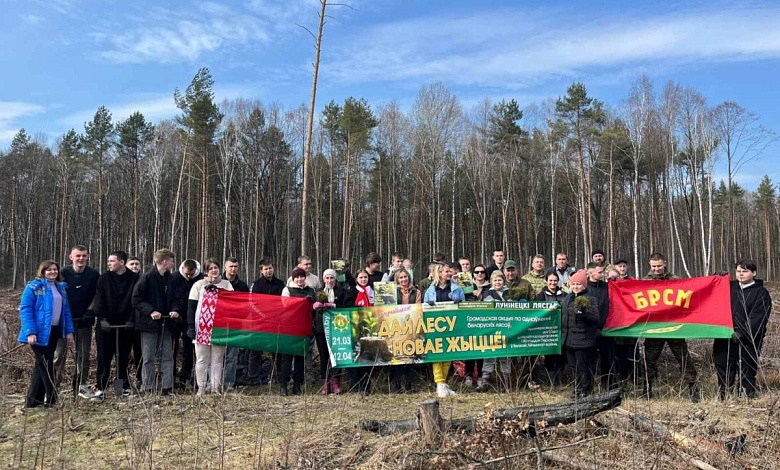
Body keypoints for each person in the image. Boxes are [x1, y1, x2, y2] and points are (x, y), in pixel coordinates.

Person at [641, 253, 700, 402]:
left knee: (684, 359)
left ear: (665, 263)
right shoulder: (644, 282)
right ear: (649, 265)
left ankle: (693, 389)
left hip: (674, 328)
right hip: (654, 329)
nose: (656, 269)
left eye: (659, 266)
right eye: (654, 266)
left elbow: (691, 293)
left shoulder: (676, 280)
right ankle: (646, 391)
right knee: (649, 361)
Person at [19, 260, 75, 408]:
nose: (52, 272)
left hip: (54, 331)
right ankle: (52, 400)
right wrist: (30, 332)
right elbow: (25, 310)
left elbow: (66, 311)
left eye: (55, 269)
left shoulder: (60, 288)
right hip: (38, 333)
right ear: (42, 271)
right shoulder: (33, 287)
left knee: (41, 365)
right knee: (46, 364)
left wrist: (69, 331)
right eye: (49, 270)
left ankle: (33, 401)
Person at [714, 260, 772, 400]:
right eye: (738, 271)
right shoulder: (729, 287)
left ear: (754, 273)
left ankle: (746, 397)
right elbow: (711, 293)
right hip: (725, 335)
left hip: (748, 339)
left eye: (745, 271)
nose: (741, 274)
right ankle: (724, 397)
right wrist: (716, 277)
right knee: (723, 365)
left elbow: (758, 317)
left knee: (746, 368)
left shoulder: (761, 293)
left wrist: (743, 333)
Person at [131, 248, 181, 395]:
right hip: (148, 325)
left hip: (166, 324)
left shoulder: (171, 279)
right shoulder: (146, 278)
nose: (173, 264)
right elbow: (136, 299)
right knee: (148, 357)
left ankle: (167, 386)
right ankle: (148, 386)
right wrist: (151, 311)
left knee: (167, 356)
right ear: (164, 261)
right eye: (171, 261)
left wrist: (174, 309)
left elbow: (176, 298)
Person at [54, 245, 99, 400]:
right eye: (78, 255)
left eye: (84, 255)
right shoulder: (62, 273)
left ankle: (81, 386)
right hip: (63, 321)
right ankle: (54, 387)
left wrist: (90, 310)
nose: (81, 258)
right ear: (71, 257)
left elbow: (97, 294)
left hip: (84, 320)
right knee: (59, 355)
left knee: (83, 355)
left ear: (88, 256)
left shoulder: (93, 274)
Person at [92, 251, 139, 401]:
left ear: (122, 262)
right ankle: (101, 388)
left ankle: (121, 388)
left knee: (122, 358)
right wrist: (102, 318)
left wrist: (132, 319)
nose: (109, 264)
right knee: (104, 357)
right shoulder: (104, 279)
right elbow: (99, 300)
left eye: (112, 261)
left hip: (126, 325)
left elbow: (136, 300)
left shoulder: (134, 279)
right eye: (109, 261)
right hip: (106, 325)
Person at [187, 259, 234, 395]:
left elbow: (233, 303)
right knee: (202, 359)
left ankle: (215, 388)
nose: (214, 270)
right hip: (202, 327)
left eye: (216, 267)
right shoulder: (198, 285)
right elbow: (191, 307)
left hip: (220, 327)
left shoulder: (226, 284)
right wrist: (191, 327)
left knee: (217, 359)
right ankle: (201, 388)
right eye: (210, 268)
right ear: (206, 271)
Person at [424, 263, 465, 398]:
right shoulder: (430, 290)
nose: (450, 273)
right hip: (436, 327)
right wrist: (428, 305)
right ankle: (439, 383)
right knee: (437, 354)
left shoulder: (457, 289)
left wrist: (460, 303)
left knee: (448, 355)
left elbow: (464, 307)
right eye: (447, 271)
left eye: (450, 271)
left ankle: (444, 383)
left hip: (451, 326)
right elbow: (424, 308)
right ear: (440, 273)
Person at [561, 270, 600, 399]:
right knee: (573, 367)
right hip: (569, 339)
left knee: (584, 367)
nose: (575, 286)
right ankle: (577, 389)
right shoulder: (567, 298)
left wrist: (584, 314)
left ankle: (586, 391)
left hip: (584, 340)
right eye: (573, 284)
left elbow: (595, 319)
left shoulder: (590, 299)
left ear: (584, 285)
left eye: (578, 284)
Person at [248, 258, 286, 386]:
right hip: (259, 322)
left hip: (275, 321)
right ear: (261, 270)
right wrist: (262, 315)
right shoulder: (256, 284)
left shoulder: (280, 284)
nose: (268, 271)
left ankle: (277, 376)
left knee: (277, 350)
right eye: (266, 269)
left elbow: (284, 302)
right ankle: (253, 378)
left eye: (270, 268)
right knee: (256, 350)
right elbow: (252, 302)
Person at [314, 269, 352, 395]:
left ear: (335, 279)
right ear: (323, 279)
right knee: (324, 356)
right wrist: (314, 306)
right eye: (327, 278)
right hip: (321, 328)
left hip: (337, 328)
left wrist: (334, 306)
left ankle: (336, 382)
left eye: (332, 278)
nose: (329, 280)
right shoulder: (318, 292)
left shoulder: (342, 291)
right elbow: (311, 310)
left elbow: (348, 306)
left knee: (335, 355)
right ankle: (325, 383)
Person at [280, 268, 316, 395]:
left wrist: (313, 305)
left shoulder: (310, 290)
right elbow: (285, 306)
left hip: (304, 328)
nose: (299, 279)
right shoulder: (287, 290)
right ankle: (283, 385)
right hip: (289, 328)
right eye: (297, 277)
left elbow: (314, 308)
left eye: (302, 276)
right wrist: (302, 303)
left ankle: (297, 385)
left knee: (300, 358)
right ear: (293, 278)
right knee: (287, 358)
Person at [170, 259, 203, 390]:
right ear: (183, 268)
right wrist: (174, 309)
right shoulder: (174, 278)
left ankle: (186, 378)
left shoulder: (200, 279)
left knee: (189, 350)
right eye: (187, 273)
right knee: (172, 349)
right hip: (175, 318)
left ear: (196, 270)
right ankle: (171, 378)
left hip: (192, 319)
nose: (189, 276)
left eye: (191, 273)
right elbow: (171, 297)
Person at [480, 271, 512, 392]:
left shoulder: (508, 292)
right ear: (491, 282)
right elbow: (491, 305)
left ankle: (506, 383)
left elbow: (512, 306)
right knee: (490, 353)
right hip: (492, 327)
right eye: (495, 280)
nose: (497, 282)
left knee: (505, 355)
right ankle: (485, 382)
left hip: (506, 327)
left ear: (503, 281)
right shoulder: (488, 292)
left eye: (499, 280)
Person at [390, 268, 421, 393]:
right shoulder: (392, 291)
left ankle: (409, 385)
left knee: (409, 355)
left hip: (411, 326)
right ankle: (397, 385)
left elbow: (418, 307)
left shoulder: (416, 291)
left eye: (405, 277)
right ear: (397, 279)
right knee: (396, 356)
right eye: (401, 277)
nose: (404, 279)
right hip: (395, 326)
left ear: (409, 277)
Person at [585, 262, 615, 391]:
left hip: (606, 329)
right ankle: (588, 387)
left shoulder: (607, 287)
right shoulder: (584, 287)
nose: (602, 274)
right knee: (589, 360)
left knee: (608, 359)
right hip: (589, 330)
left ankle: (608, 387)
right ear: (591, 273)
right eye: (599, 272)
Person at [536, 272, 567, 387]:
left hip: (561, 330)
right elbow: (536, 312)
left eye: (555, 281)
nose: (553, 283)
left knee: (561, 355)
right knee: (549, 356)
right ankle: (551, 381)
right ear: (546, 281)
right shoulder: (541, 295)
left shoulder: (564, 295)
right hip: (548, 330)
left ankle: (560, 379)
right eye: (550, 280)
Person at [221, 257, 249, 390]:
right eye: (231, 266)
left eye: (235, 266)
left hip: (235, 324)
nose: (233, 269)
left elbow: (246, 305)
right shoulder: (218, 283)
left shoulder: (242, 286)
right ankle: (214, 382)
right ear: (225, 267)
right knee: (216, 356)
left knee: (232, 355)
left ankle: (228, 383)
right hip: (219, 324)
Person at [349, 269, 375, 395]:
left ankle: (366, 386)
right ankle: (355, 385)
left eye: (365, 277)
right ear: (356, 279)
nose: (363, 279)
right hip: (355, 328)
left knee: (368, 356)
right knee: (356, 354)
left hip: (370, 327)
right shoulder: (352, 292)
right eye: (361, 277)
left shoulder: (373, 291)